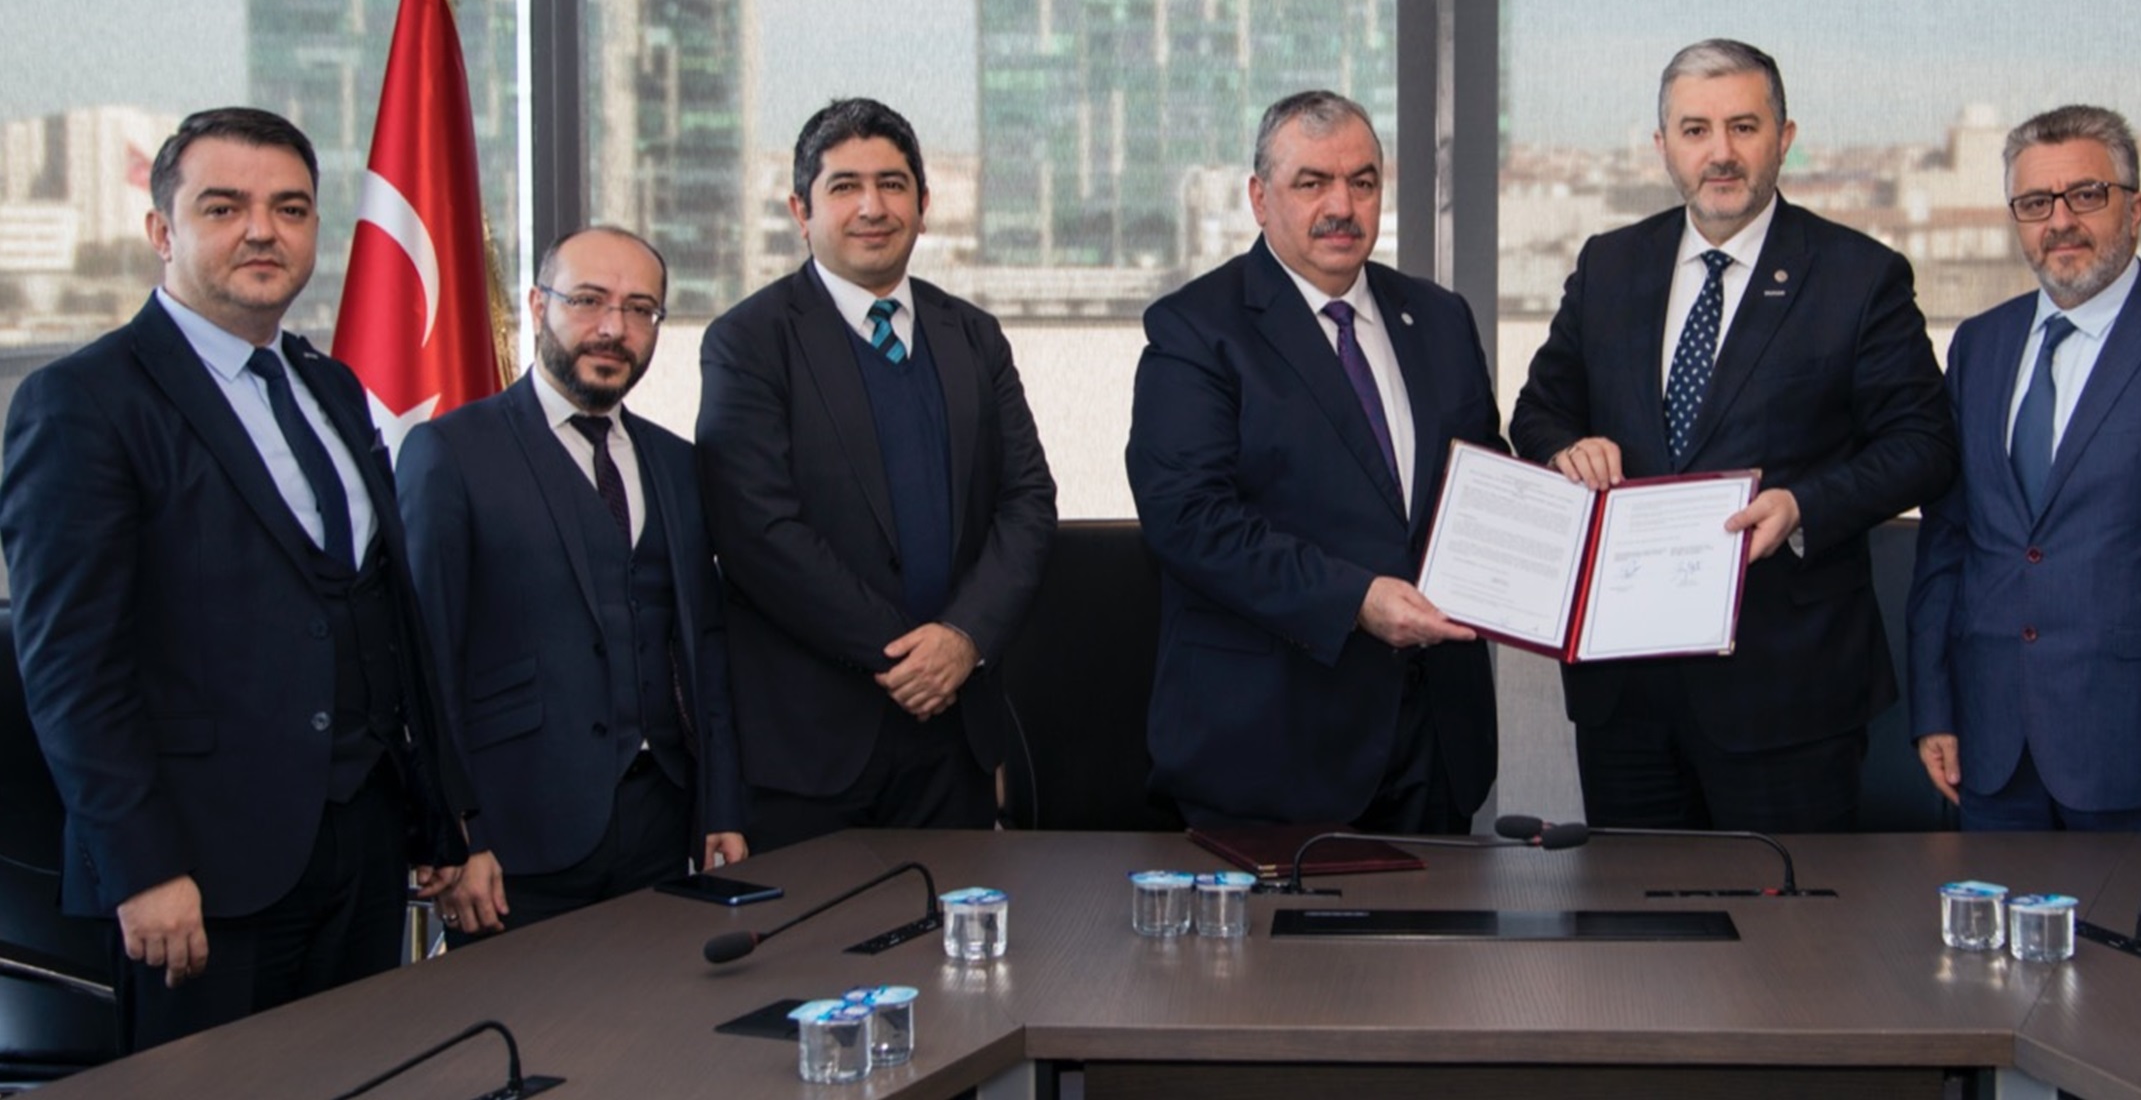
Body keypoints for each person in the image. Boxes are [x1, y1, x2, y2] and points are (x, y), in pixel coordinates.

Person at [0, 107, 466, 1050]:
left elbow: (382, 612)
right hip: (199, 871)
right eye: (224, 207)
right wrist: (140, 866)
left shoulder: (330, 386)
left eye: (290, 209)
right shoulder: (82, 401)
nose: (263, 230)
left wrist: (440, 823)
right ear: (162, 231)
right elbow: (70, 666)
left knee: (357, 1076)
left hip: (364, 844)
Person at [1509, 39, 1955, 833]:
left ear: (1784, 138)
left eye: (1743, 127)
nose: (1720, 152)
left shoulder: (1859, 276)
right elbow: (1540, 408)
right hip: (1627, 694)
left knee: (1787, 913)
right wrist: (1564, 448)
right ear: (1662, 146)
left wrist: (1804, 505)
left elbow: (1924, 443)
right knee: (1633, 906)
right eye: (1695, 130)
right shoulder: (1610, 264)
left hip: (1787, 690)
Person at [1127, 90, 1505, 831]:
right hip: (1274, 751)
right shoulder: (1196, 329)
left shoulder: (1439, 318)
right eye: (1313, 183)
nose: (1343, 206)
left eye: (1362, 182)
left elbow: (1482, 482)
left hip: (1434, 743)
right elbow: (1189, 520)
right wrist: (1356, 599)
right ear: (1259, 198)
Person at [1906, 105, 2141, 848]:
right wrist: (1934, 707)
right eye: (2035, 203)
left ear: (2135, 209)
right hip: (1993, 750)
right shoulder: (1979, 345)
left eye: (2086, 195)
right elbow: (1949, 541)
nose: (2061, 221)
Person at [697, 99, 1056, 848]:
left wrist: (962, 640)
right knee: (811, 930)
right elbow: (758, 531)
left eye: (893, 185)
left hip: (954, 734)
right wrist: (910, 657)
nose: (872, 207)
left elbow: (1027, 502)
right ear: (801, 210)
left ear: (924, 206)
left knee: (956, 923)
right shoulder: (748, 341)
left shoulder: (975, 337)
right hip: (812, 745)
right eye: (844, 186)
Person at [398, 226, 747, 939]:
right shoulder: (450, 453)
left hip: (662, 829)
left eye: (640, 309)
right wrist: (459, 833)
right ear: (537, 306)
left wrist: (721, 805)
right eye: (588, 300)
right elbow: (425, 661)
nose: (613, 328)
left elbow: (703, 648)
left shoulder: (677, 464)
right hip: (513, 842)